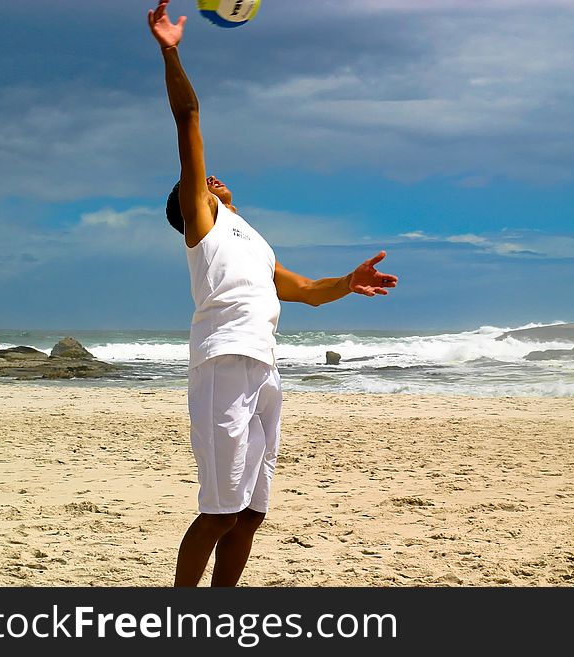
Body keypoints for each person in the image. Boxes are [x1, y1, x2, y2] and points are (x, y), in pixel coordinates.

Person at [147, 0, 398, 587]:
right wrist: (170, 50)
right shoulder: (203, 227)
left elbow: (307, 291)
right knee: (219, 511)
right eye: (201, 182)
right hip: (224, 361)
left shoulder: (251, 239)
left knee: (253, 513)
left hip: (265, 368)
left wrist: (348, 282)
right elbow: (188, 118)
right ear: (191, 204)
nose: (211, 178)